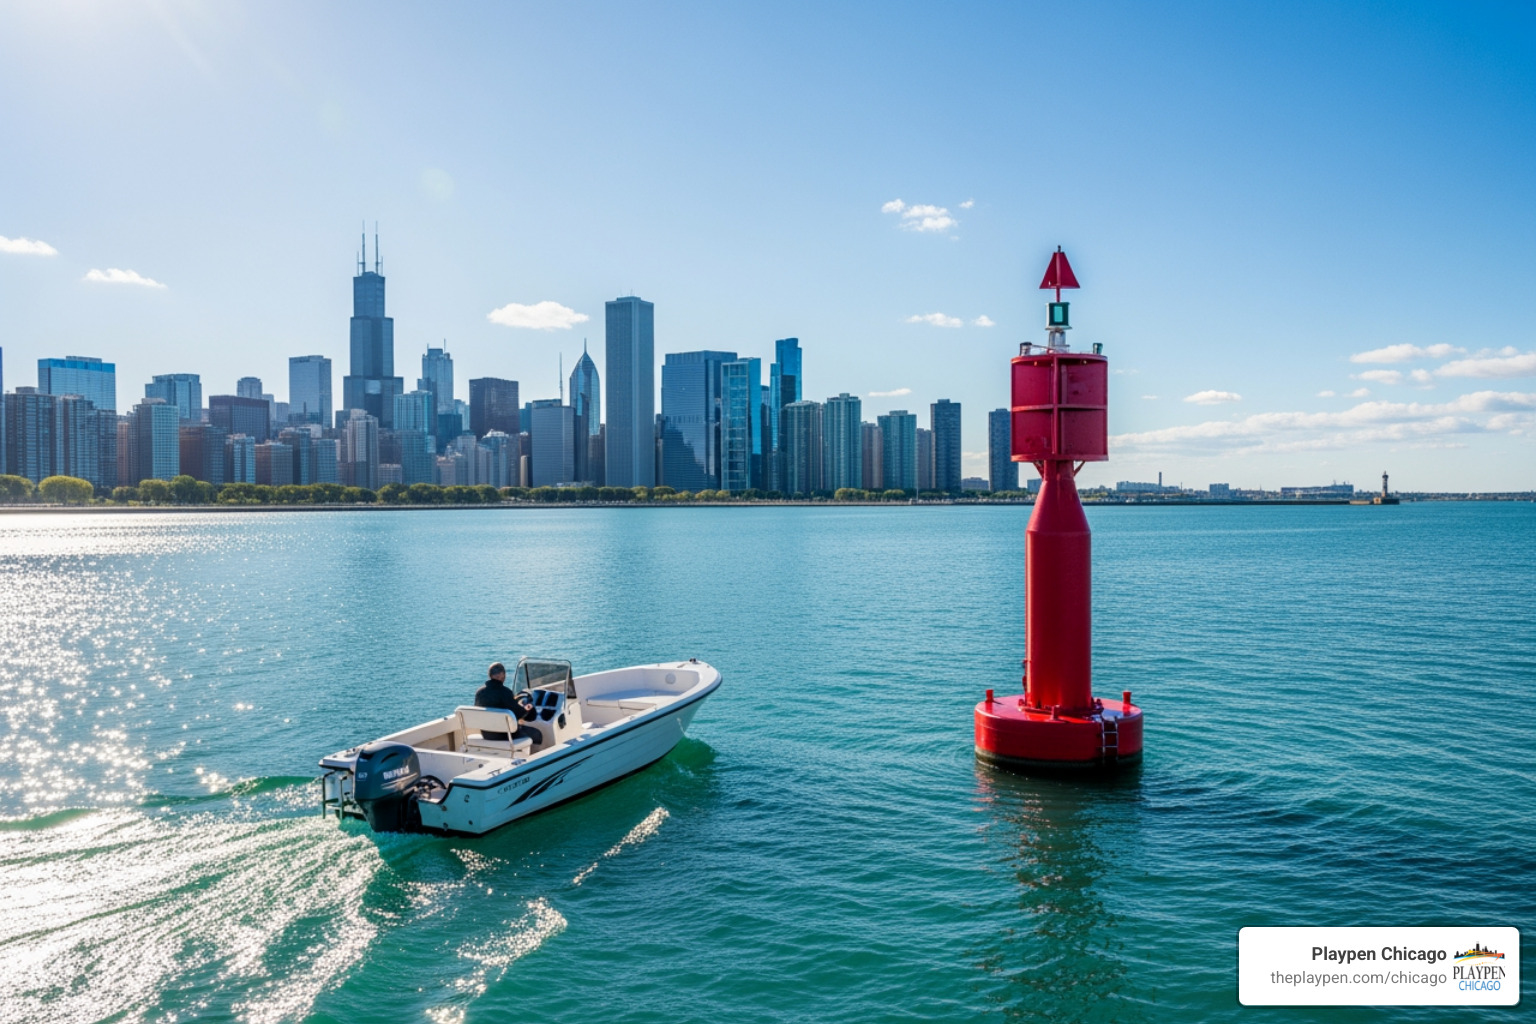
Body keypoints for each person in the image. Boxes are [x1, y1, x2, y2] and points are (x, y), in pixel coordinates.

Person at [474, 662, 539, 743]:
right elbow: (517, 714)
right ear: (502, 675)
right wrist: (527, 709)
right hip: (504, 735)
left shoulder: (479, 692)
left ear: (490, 675)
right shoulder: (505, 692)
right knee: (537, 734)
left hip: (486, 734)